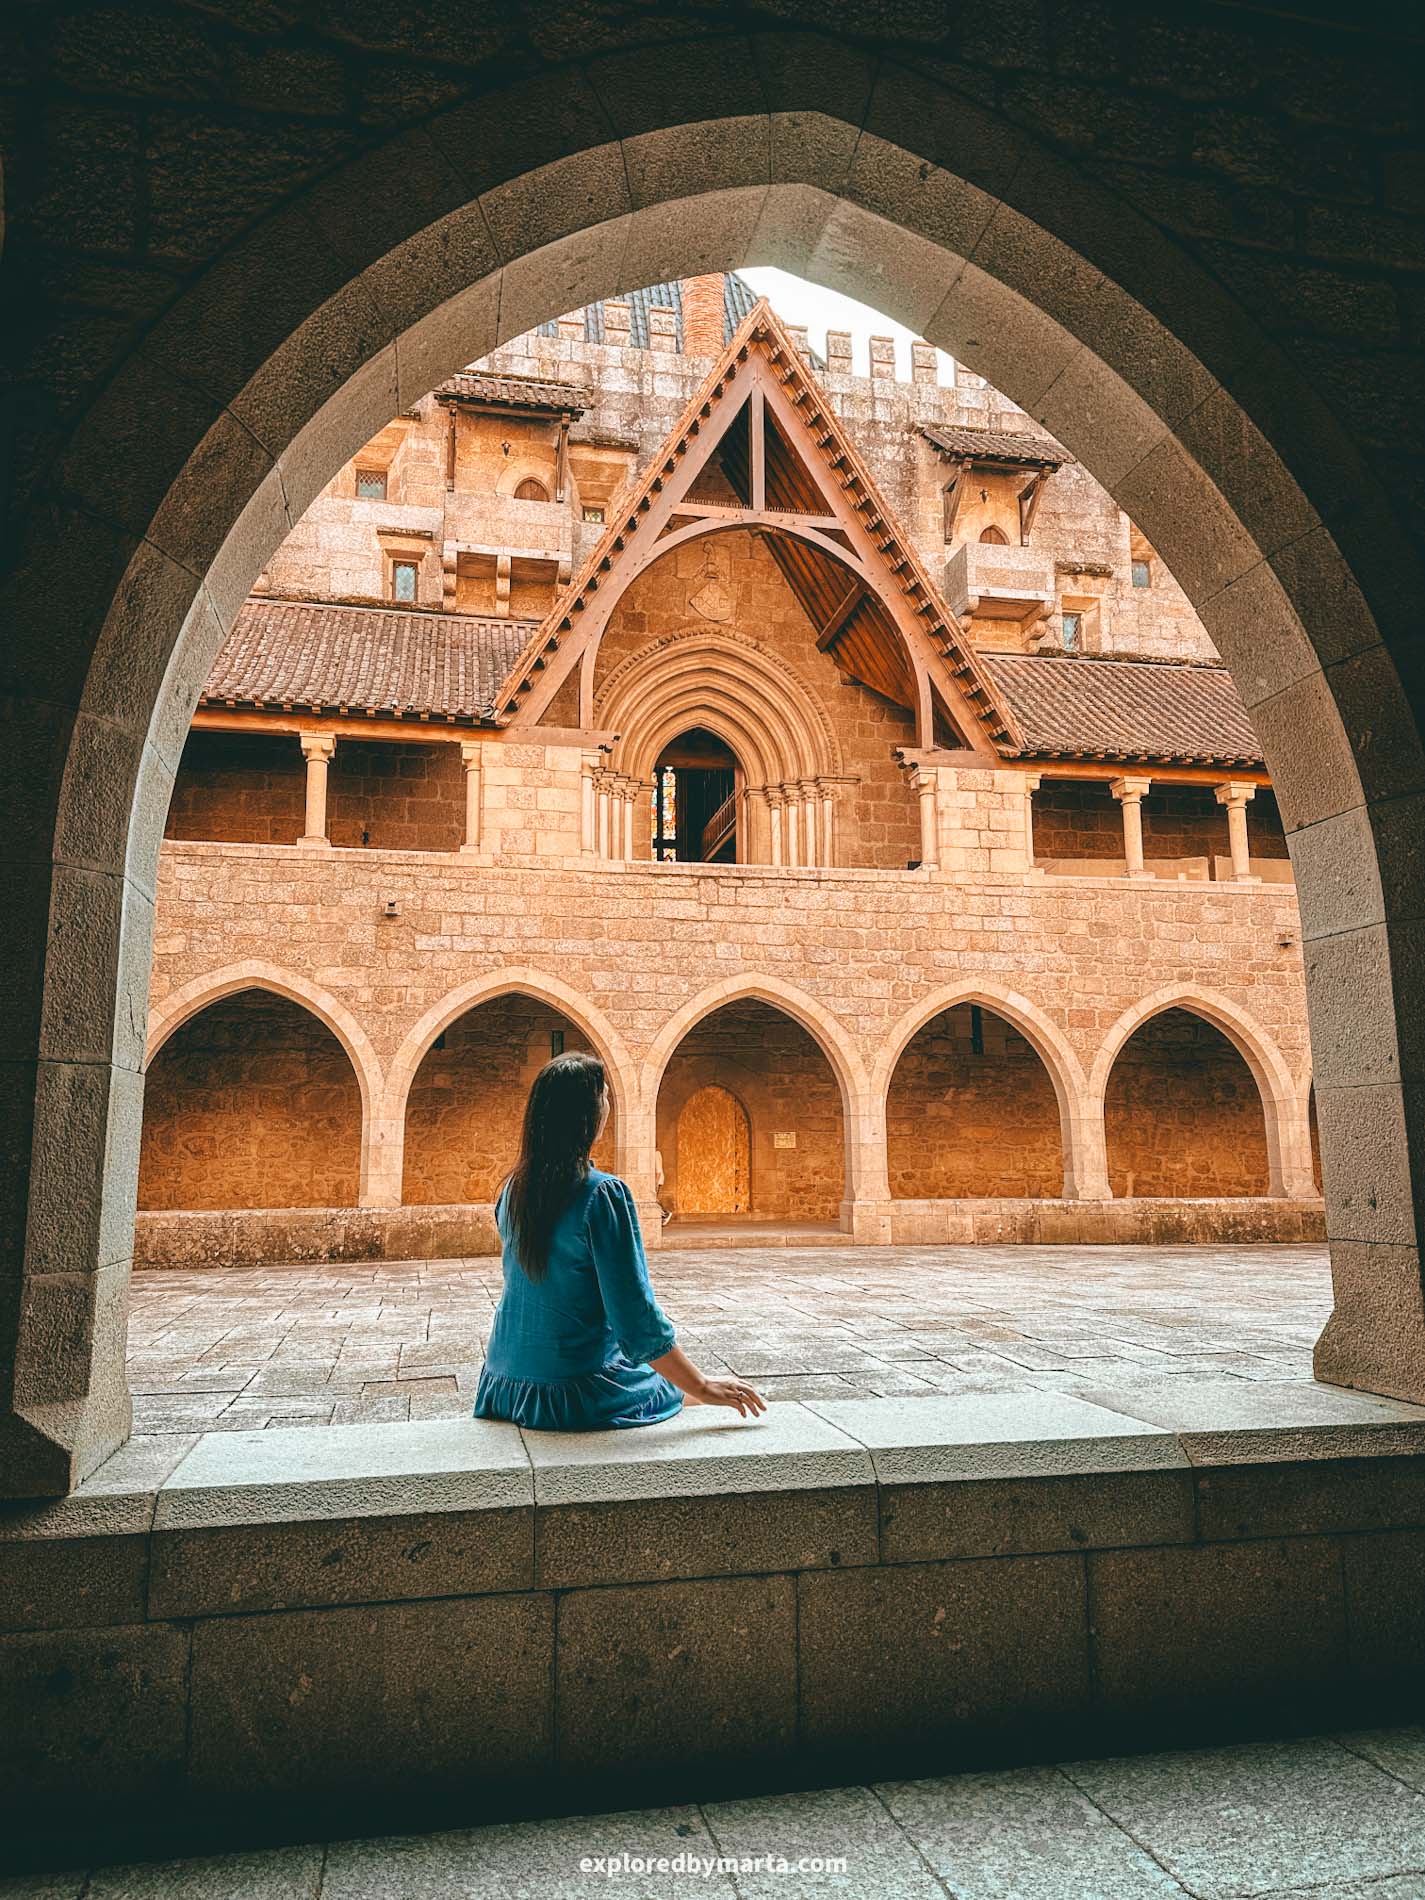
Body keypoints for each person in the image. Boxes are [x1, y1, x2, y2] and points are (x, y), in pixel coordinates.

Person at [473, 1051, 766, 1431]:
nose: (609, 1106)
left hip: (504, 1384)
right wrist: (703, 1385)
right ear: (589, 1114)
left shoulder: (513, 1189)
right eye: (605, 1096)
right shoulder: (602, 1194)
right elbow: (636, 1318)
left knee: (656, 1378)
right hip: (572, 1392)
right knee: (669, 1390)